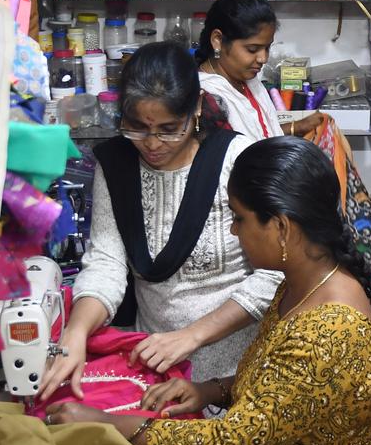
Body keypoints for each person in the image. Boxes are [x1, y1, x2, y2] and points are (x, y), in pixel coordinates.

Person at [46, 136, 371, 445]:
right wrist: (209, 390)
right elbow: (285, 388)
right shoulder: (303, 283)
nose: (234, 231)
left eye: (239, 218)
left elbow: (231, 443)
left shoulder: (328, 329)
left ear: (282, 227)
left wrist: (109, 425)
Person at [39, 42, 281, 400]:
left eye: (169, 129)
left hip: (237, 373)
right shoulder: (117, 165)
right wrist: (76, 333)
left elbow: (276, 271)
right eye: (136, 128)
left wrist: (193, 335)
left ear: (196, 108)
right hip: (156, 368)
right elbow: (106, 263)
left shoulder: (236, 160)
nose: (152, 144)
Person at [196, 0, 326, 140]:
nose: (263, 58)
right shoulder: (206, 99)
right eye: (252, 49)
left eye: (267, 48)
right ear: (218, 40)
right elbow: (236, 155)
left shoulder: (247, 83)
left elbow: (259, 137)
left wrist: (296, 127)